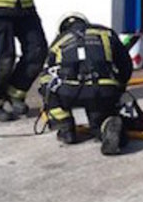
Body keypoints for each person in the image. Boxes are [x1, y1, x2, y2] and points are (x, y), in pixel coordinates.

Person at [38, 13, 133, 155]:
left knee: (47, 87)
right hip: (104, 89)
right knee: (99, 120)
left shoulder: (59, 41)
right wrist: (120, 88)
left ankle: (66, 129)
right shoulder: (106, 33)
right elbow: (126, 64)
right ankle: (106, 127)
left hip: (71, 92)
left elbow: (46, 75)